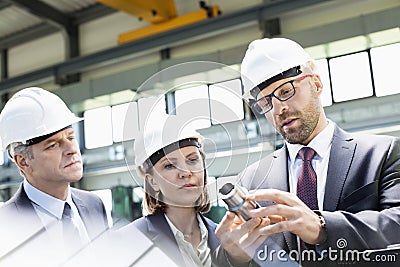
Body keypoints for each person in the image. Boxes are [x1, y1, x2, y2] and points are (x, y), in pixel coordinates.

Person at [215, 38, 400, 266]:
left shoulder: (381, 154)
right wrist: (236, 256)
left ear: (317, 84)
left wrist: (322, 227)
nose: (278, 109)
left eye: (286, 90)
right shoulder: (252, 179)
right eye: (264, 103)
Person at [0, 87, 109, 266]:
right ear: (23, 162)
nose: (71, 150)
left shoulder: (94, 205)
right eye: (53, 145)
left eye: (71, 137)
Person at [117, 116, 221, 266]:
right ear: (152, 181)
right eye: (169, 165)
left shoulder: (224, 237)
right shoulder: (127, 241)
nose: (185, 172)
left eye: (192, 160)